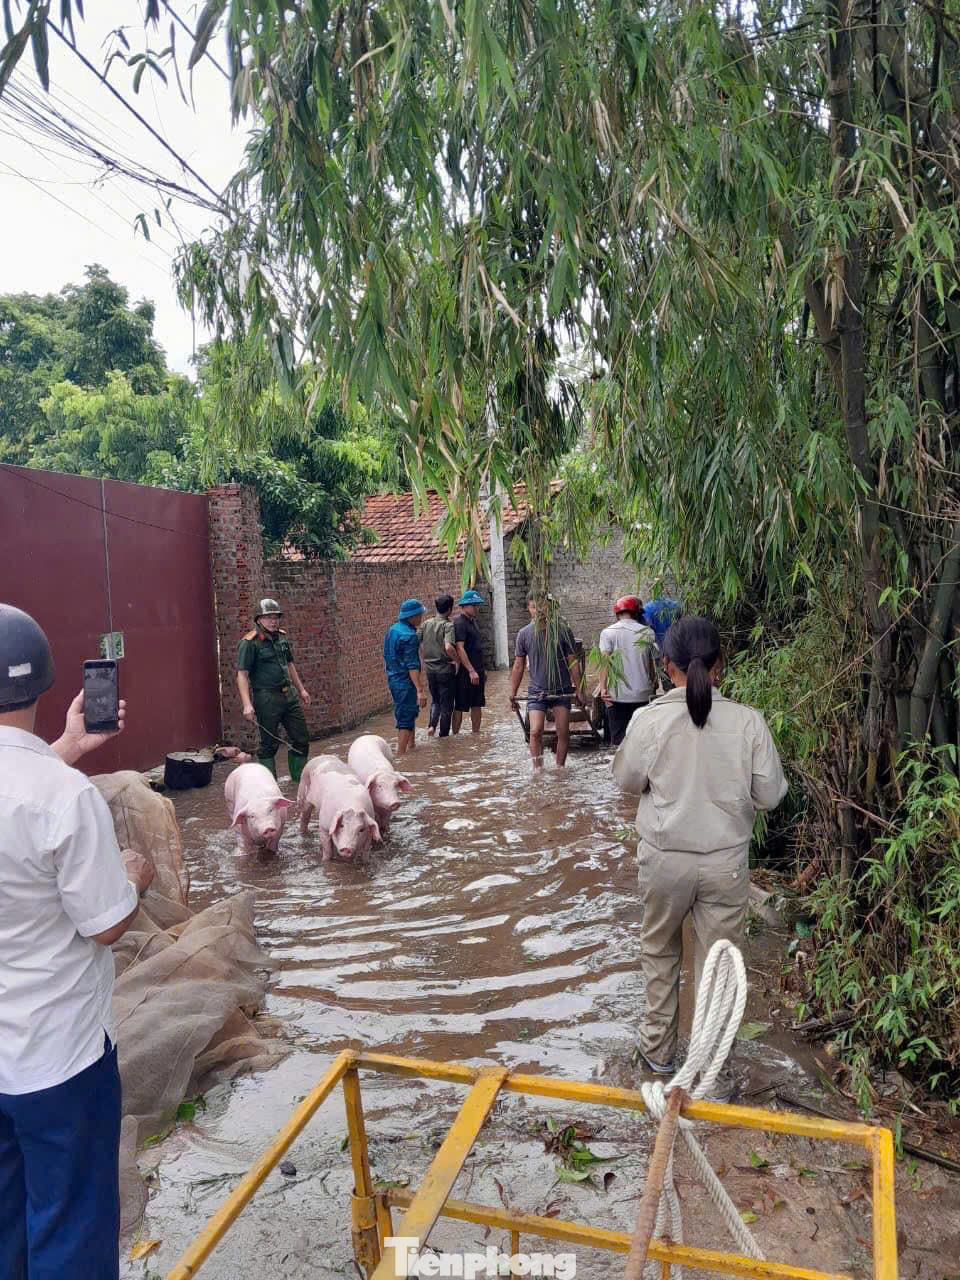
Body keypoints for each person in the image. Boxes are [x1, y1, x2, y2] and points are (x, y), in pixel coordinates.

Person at [0, 603, 155, 1280]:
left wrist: (65, 748)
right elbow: (107, 924)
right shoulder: (63, 797)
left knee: (7, 1220)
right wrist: (135, 877)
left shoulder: (46, 785)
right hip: (58, 1060)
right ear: (46, 684)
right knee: (71, 1225)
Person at [612, 616, 787, 1080]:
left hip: (664, 859)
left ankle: (657, 1057)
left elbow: (627, 782)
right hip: (725, 865)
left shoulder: (648, 720)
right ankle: (710, 1066)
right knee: (718, 964)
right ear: (721, 665)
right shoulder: (749, 722)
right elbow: (770, 796)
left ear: (666, 666)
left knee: (659, 952)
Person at [236, 598, 312, 783]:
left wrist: (301, 690)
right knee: (269, 744)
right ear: (259, 620)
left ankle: (298, 782)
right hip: (266, 698)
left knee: (301, 738)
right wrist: (247, 704)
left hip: (289, 695)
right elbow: (242, 675)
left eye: (276, 617)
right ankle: (268, 786)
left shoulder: (282, 638)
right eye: (268, 617)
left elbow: (290, 665)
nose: (273, 621)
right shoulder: (249, 643)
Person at [509, 593, 586, 768]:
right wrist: (512, 694)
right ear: (529, 609)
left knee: (563, 732)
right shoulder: (524, 634)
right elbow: (518, 666)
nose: (539, 610)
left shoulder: (563, 630)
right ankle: (538, 771)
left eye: (543, 606)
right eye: (534, 607)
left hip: (561, 689)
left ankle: (560, 768)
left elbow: (573, 663)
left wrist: (580, 690)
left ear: (549, 607)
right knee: (535, 731)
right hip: (537, 691)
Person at [597, 595, 658, 746]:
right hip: (643, 694)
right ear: (637, 613)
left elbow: (605, 663)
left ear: (617, 614)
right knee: (643, 742)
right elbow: (651, 665)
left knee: (619, 742)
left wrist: (603, 688)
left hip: (618, 696)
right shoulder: (648, 633)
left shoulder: (607, 633)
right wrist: (653, 684)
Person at [384, 599, 428, 756]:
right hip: (405, 682)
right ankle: (401, 755)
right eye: (420, 614)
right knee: (405, 718)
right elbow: (412, 666)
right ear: (413, 616)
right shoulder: (410, 636)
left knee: (409, 712)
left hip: (393, 679)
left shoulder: (393, 630)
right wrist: (420, 690)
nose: (421, 617)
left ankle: (412, 746)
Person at [418, 594, 459, 738]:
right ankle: (443, 738)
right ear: (449, 609)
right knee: (447, 706)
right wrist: (457, 660)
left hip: (430, 671)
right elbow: (449, 647)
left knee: (435, 701)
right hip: (445, 670)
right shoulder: (448, 625)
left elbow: (416, 642)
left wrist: (424, 656)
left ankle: (431, 726)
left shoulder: (425, 624)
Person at [452, 589, 487, 735]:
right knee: (460, 705)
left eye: (477, 605)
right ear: (464, 606)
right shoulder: (460, 623)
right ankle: (455, 736)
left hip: (477, 670)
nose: (477, 608)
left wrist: (481, 671)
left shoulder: (473, 622)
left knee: (477, 704)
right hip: (465, 673)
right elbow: (460, 648)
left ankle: (476, 735)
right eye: (474, 605)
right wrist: (471, 670)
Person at [643, 596, 682, 691]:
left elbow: (647, 630)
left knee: (667, 681)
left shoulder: (647, 608)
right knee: (681, 675)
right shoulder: (677, 605)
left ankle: (669, 695)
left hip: (660, 650)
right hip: (678, 648)